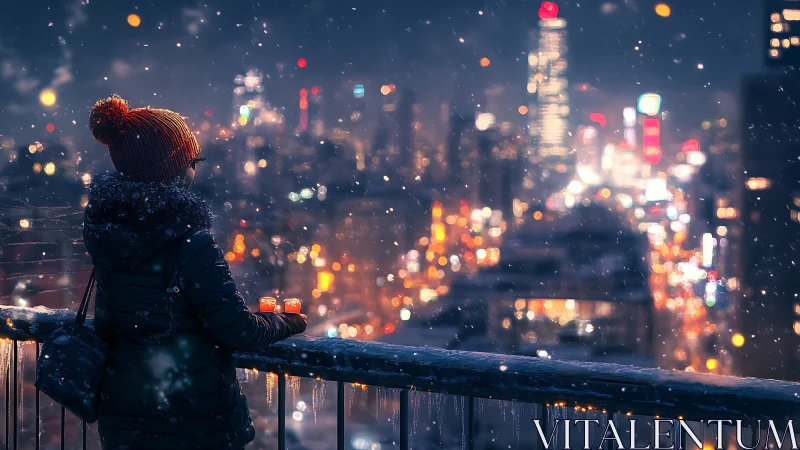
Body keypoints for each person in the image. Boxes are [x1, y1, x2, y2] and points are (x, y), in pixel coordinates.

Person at [83, 95, 307, 450]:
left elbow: (110, 324)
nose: (194, 170)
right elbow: (238, 331)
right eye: (190, 161)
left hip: (125, 415)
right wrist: (288, 321)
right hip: (193, 421)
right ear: (171, 171)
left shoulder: (107, 234)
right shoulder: (189, 242)